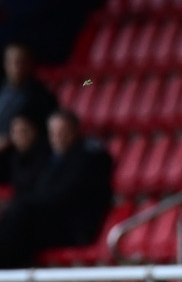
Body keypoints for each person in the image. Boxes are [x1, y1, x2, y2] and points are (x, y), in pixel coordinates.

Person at [0, 109, 112, 268]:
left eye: (63, 132)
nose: (58, 137)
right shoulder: (54, 159)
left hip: (74, 228)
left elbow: (61, 196)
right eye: (53, 132)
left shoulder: (88, 158)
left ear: (75, 131)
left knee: (20, 216)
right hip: (55, 222)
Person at [0, 42, 58, 150]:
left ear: (30, 63)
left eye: (21, 62)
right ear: (5, 64)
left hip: (19, 155)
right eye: (11, 61)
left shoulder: (41, 96)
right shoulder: (2, 88)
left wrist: (10, 140)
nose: (16, 66)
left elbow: (43, 134)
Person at [0, 112, 51, 206]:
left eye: (25, 131)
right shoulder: (14, 154)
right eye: (15, 131)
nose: (20, 136)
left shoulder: (46, 155)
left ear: (35, 131)